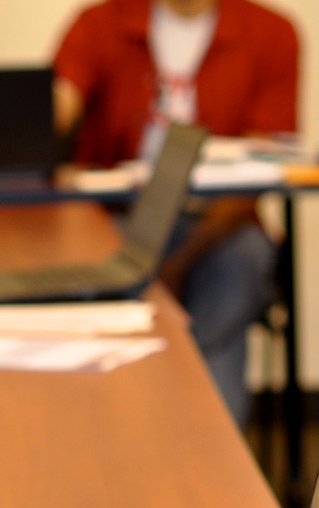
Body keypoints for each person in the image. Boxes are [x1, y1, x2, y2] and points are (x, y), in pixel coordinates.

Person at [52, 0, 299, 425]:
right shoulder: (102, 23)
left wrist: (176, 264)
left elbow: (259, 171)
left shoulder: (271, 33)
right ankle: (125, 430)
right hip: (120, 215)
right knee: (92, 262)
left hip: (219, 222)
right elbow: (58, 107)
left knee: (238, 270)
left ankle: (199, 449)